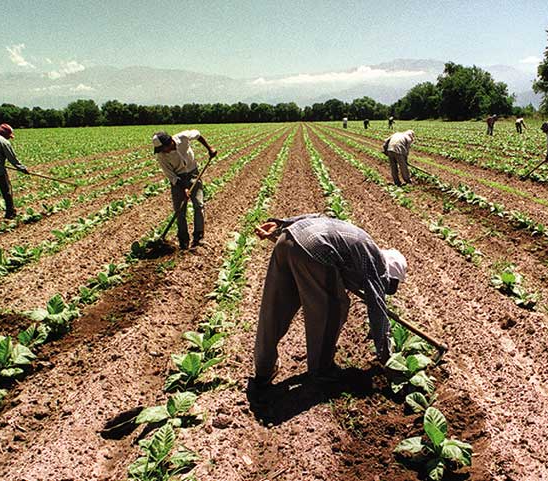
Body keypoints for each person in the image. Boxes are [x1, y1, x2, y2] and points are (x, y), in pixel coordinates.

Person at [250, 214, 407, 387]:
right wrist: (387, 356)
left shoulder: (359, 243)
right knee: (333, 308)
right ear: (389, 273)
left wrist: (281, 225)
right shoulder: (375, 262)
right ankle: (322, 369)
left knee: (275, 307)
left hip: (287, 239)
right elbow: (377, 309)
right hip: (314, 250)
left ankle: (264, 367)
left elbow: (320, 217)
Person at [152, 129, 217, 249]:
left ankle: (198, 238)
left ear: (170, 142)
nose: (163, 152)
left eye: (163, 148)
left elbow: (198, 134)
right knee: (180, 211)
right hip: (178, 180)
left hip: (193, 174)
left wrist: (210, 148)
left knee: (199, 205)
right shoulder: (161, 156)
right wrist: (184, 188)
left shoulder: (183, 137)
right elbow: (171, 176)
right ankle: (183, 241)